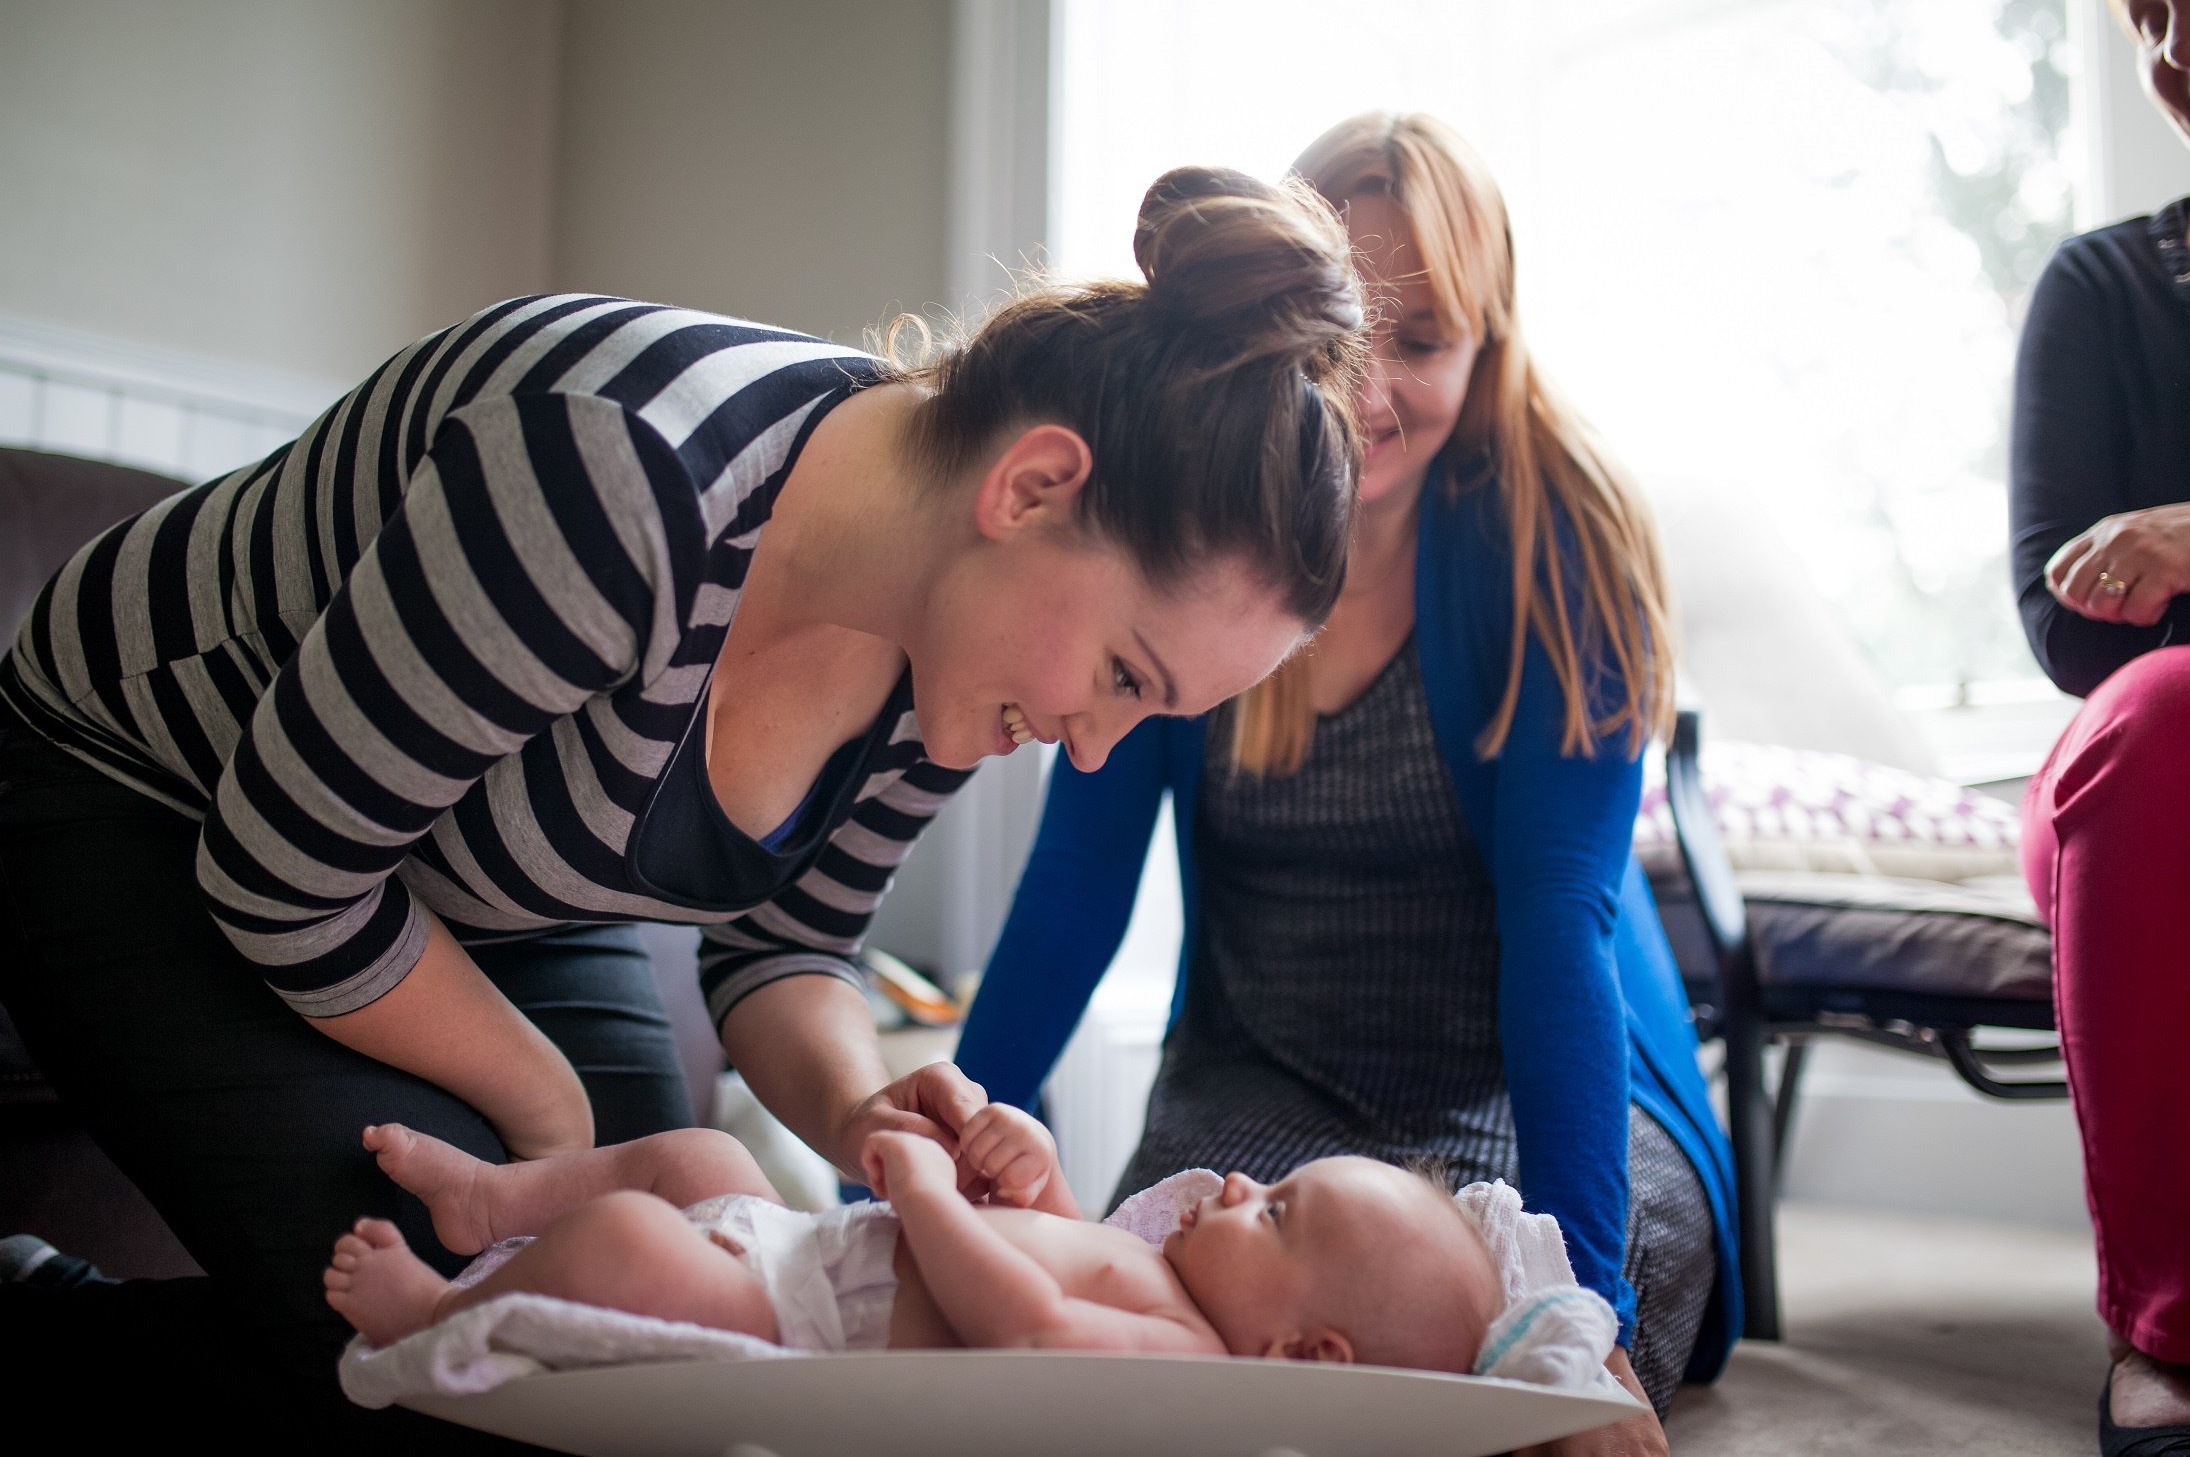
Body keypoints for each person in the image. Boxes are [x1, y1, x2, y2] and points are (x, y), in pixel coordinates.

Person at [0, 165, 1364, 1446]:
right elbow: (284, 871)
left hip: (494, 886)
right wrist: (540, 1099)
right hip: (158, 807)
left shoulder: (962, 652)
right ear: (1033, 487)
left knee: (689, 1372)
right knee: (468, 1383)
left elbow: (785, 947)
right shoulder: (619, 477)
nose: (1089, 749)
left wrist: (860, 1105)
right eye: (1123, 675)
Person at [955, 112, 1739, 1447]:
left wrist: (1582, 1314)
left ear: (1490, 345)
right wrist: (940, 1148)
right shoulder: (1181, 512)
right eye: (1347, 329)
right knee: (1178, 1337)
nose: (1368, 387)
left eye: (1423, 341)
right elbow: (1079, 880)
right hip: (1265, 1080)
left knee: (1500, 1363)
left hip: (1525, 1085)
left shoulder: (1564, 538)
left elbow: (1563, 921)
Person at [321, 1112, 1503, 1379]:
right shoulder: (1165, 1277)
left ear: (1305, 1351)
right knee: (695, 1157)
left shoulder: (1184, 1359)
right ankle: (491, 1198)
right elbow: (1052, 1253)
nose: (1244, 1178)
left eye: (1280, 1209)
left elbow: (1026, 1322)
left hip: (797, 1323)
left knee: (633, 1237)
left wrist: (938, 1199)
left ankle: (429, 1315)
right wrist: (1026, 1174)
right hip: (808, 1246)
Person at [2007, 0, 2190, 1449]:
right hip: (2150, 767)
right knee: (2165, 715)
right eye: (2148, 12)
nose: (2177, 53)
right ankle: (2173, 1337)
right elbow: (2068, 621)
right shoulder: (2104, 288)